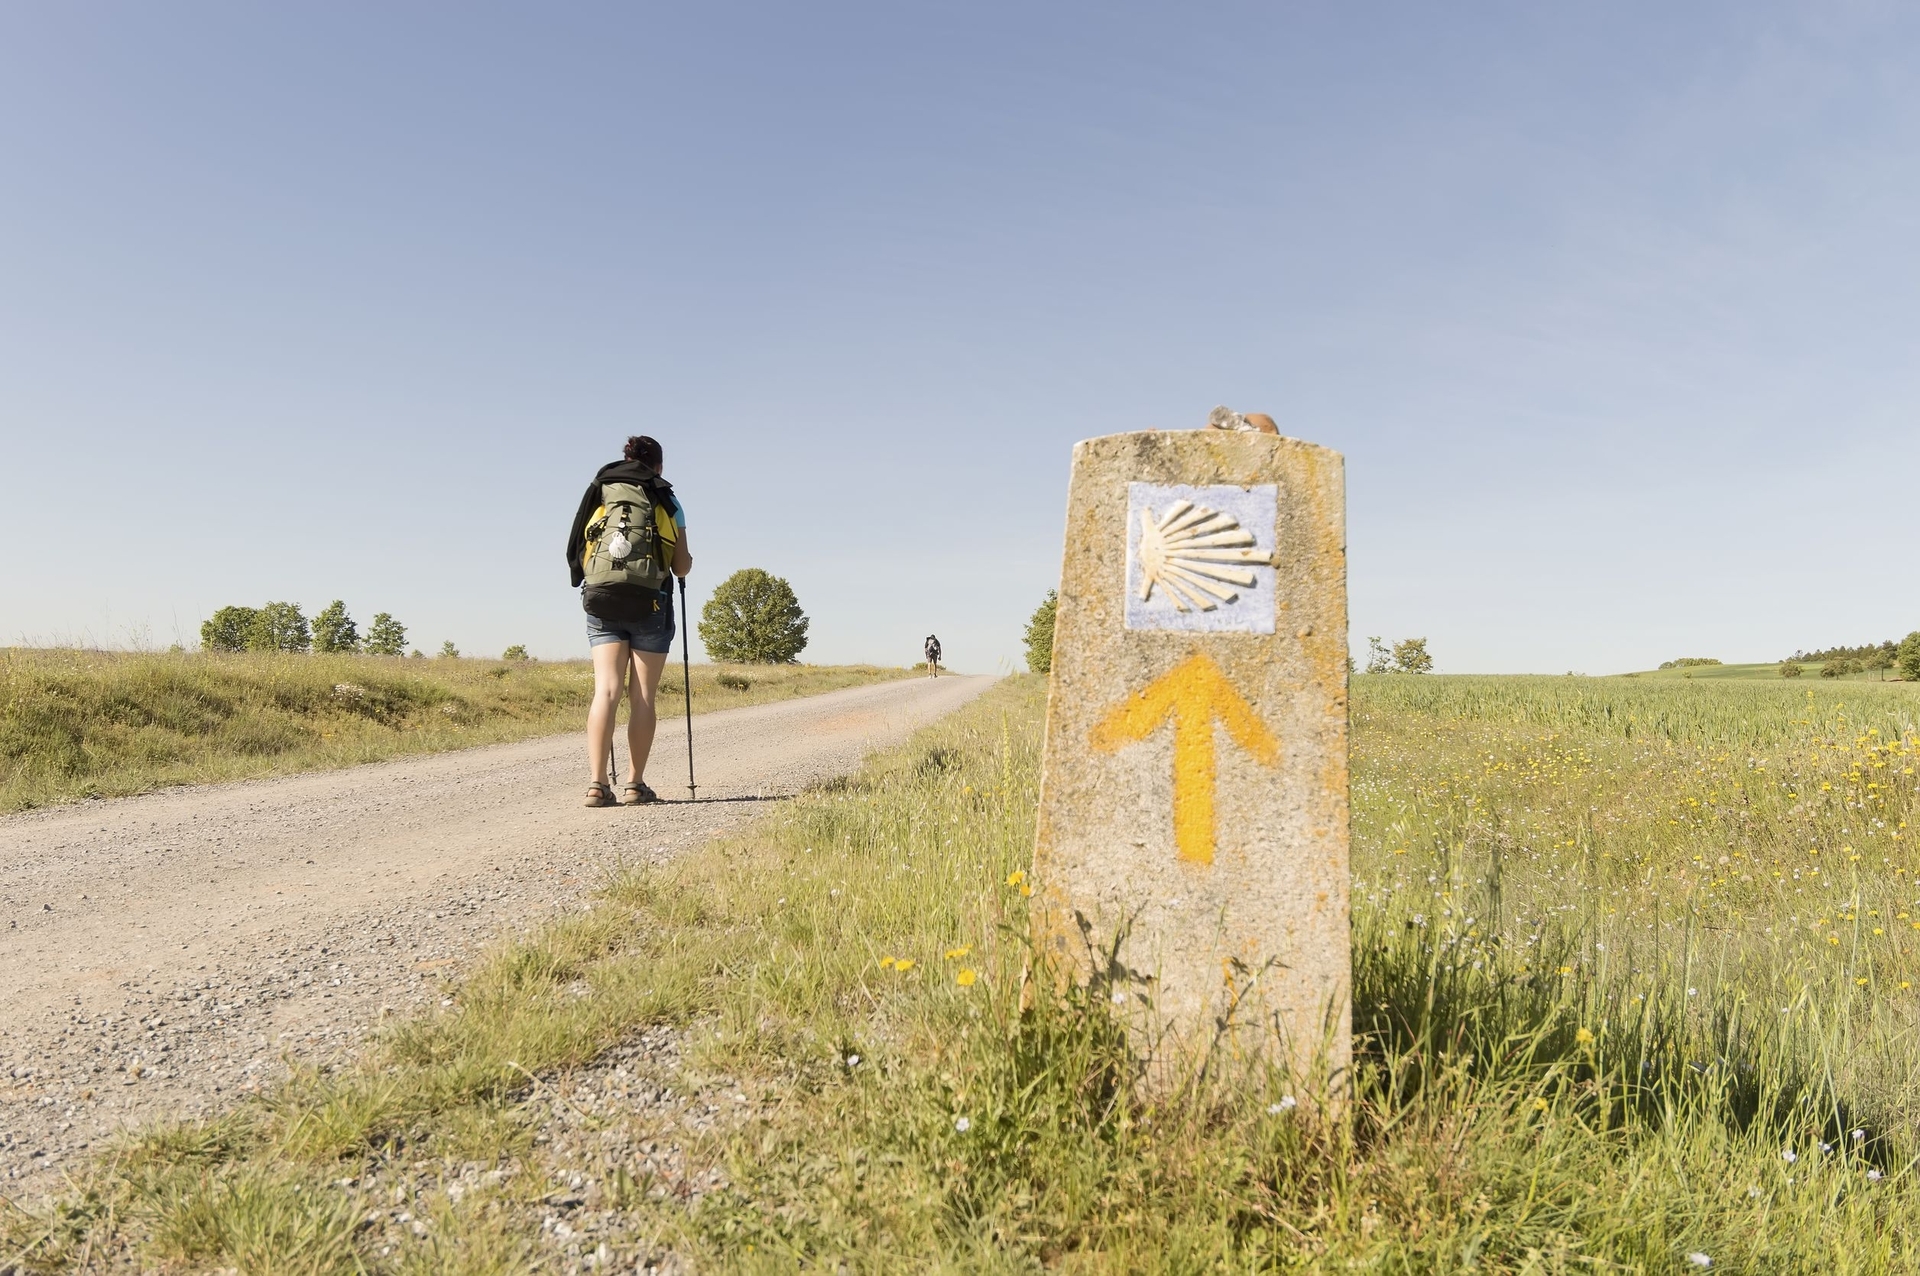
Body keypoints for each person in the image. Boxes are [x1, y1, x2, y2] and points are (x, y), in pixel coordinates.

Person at [565, 435, 692, 807]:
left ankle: (596, 784)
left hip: (601, 599)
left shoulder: (601, 492)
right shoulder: (666, 498)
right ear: (659, 466)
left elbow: (578, 545)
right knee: (642, 696)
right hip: (650, 603)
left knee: (606, 690)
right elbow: (680, 565)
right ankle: (635, 785)